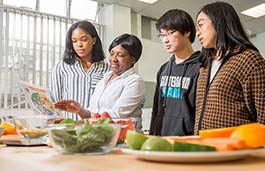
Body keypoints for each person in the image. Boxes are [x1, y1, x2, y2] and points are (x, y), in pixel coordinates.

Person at [194, 1, 265, 134]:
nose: (198, 32)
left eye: (201, 25)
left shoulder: (249, 60)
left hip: (237, 148)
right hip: (205, 146)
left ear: (219, 22)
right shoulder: (204, 66)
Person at [54, 34, 145, 131]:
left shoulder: (134, 81)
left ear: (132, 60)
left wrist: (75, 124)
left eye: (120, 55)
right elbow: (93, 113)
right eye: (112, 53)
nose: (113, 59)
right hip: (103, 136)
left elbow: (115, 115)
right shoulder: (103, 80)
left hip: (126, 138)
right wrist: (80, 110)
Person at [149, 9, 201, 136]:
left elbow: (201, 111)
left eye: (170, 33)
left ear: (187, 32)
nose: (165, 40)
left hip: (187, 141)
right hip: (161, 138)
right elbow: (156, 107)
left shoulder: (201, 67)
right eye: (162, 35)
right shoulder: (164, 69)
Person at [51, 21, 110, 121]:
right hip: (69, 126)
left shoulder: (106, 69)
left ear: (94, 40)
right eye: (74, 41)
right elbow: (55, 100)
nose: (79, 44)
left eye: (84, 40)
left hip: (95, 126)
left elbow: (107, 102)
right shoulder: (61, 66)